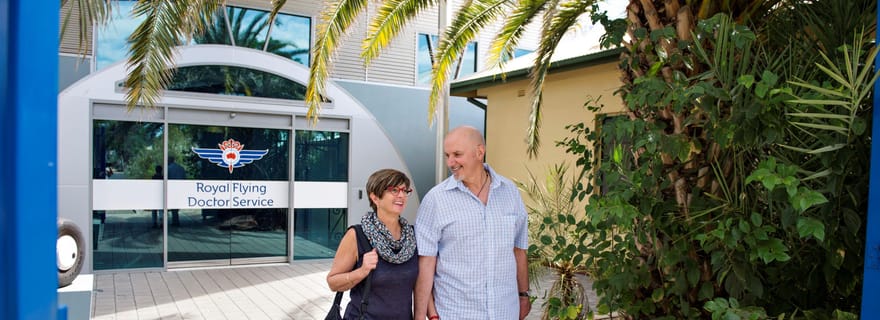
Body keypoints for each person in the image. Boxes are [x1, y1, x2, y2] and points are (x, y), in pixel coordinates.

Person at [414, 126, 531, 320]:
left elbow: (519, 250)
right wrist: (423, 315)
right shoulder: (435, 199)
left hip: (505, 312)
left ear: (479, 152)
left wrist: (524, 295)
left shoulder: (510, 192)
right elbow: (425, 263)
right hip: (455, 313)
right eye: (447, 155)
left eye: (457, 154)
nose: (450, 163)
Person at [326, 169, 419, 319]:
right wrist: (361, 272)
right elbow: (333, 282)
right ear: (375, 197)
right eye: (394, 190)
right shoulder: (357, 235)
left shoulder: (413, 237)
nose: (401, 195)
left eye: (404, 190)